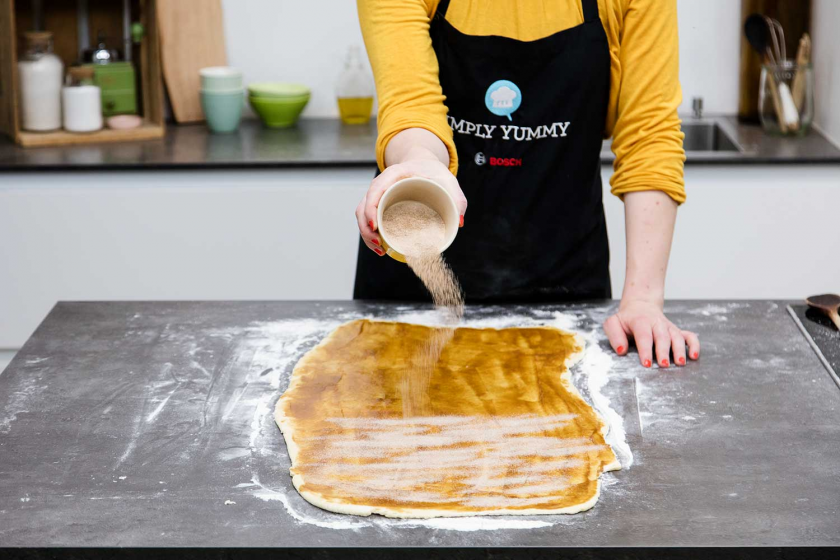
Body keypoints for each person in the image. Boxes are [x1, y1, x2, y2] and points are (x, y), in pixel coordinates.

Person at [353, 0, 700, 369]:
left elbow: (648, 135)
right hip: (414, 300)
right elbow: (411, 103)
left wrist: (643, 301)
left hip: (565, 287)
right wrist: (421, 165)